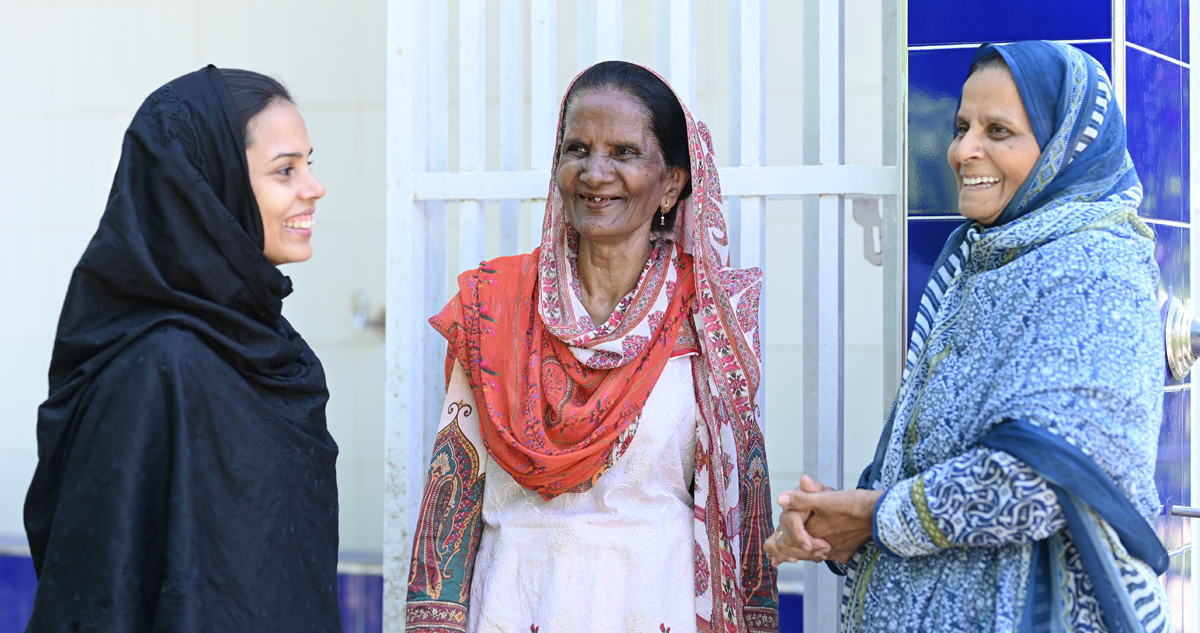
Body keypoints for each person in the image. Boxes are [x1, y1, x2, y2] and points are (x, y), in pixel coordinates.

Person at [765, 41, 1174, 632]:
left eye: (998, 130)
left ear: (1066, 148)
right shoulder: (987, 258)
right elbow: (945, 461)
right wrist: (844, 523)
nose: (963, 150)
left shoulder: (1096, 271)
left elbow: (1046, 474)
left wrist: (877, 515)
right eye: (962, 126)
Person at [404, 61, 778, 632]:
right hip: (515, 603)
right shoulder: (494, 309)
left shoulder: (708, 317)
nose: (594, 172)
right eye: (577, 148)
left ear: (672, 183)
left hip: (654, 605)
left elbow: (743, 514)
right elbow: (451, 504)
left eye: (624, 152)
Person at [23, 66, 341, 631]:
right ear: (207, 189)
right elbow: (102, 592)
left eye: (308, 164)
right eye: (284, 170)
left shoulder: (268, 349)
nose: (313, 187)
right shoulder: (162, 366)